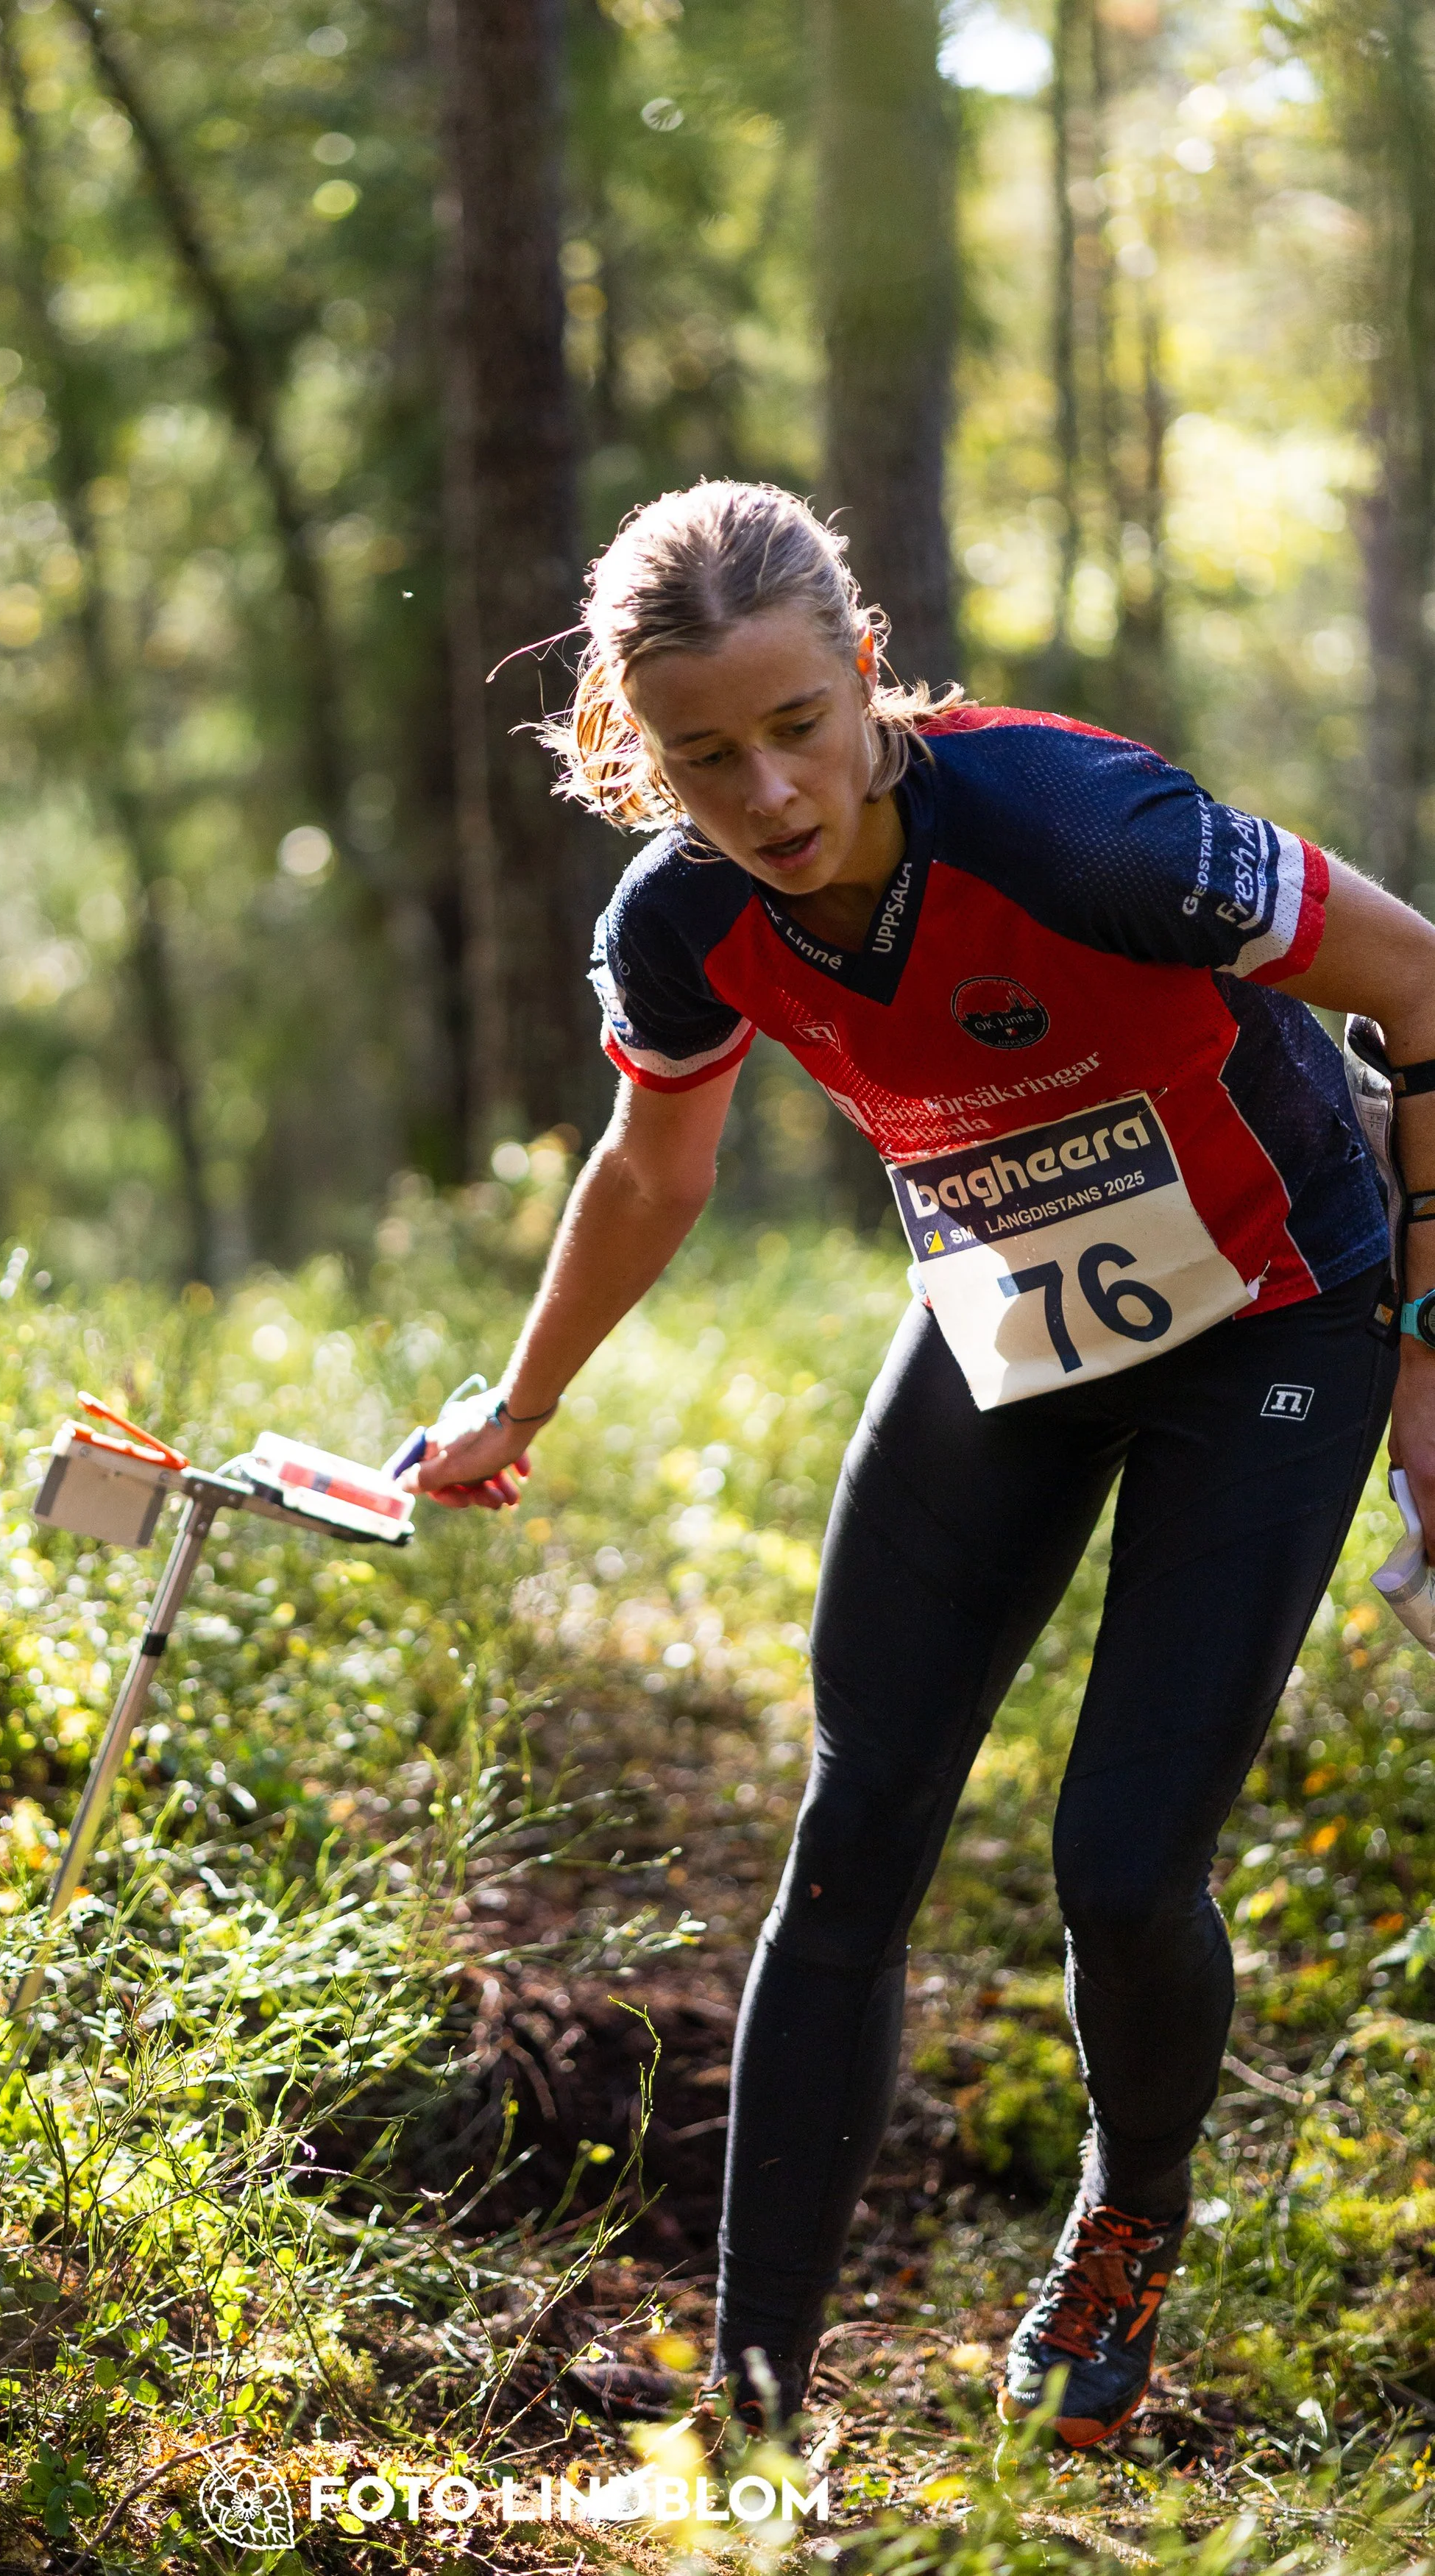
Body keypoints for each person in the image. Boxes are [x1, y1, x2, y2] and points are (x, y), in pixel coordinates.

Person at [409, 481, 1435, 2450]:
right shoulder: (684, 919)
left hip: (1279, 1309)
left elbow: (1413, 983)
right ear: (637, 753)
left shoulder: (1077, 826)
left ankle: (1128, 2218)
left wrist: (1421, 1343)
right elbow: (651, 1167)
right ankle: (750, 2404)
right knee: (855, 1816)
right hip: (1014, 1321)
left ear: (866, 668)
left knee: (1122, 1862)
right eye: (704, 755)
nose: (770, 788)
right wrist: (515, 1406)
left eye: (799, 722)